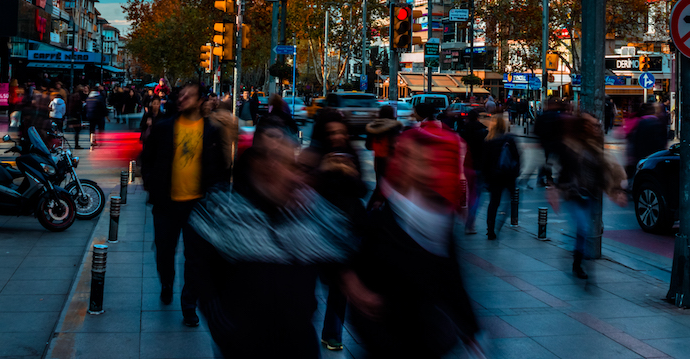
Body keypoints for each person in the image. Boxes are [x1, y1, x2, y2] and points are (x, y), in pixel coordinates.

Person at [186, 128, 355, 358]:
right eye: (288, 164)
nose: (295, 175)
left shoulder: (307, 209)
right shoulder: (224, 212)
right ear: (264, 166)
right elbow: (201, 271)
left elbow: (345, 243)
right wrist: (224, 328)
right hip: (243, 345)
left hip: (298, 344)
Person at [346, 126, 481, 358]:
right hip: (389, 340)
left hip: (427, 340)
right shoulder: (383, 222)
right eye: (419, 161)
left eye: (430, 162)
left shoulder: (440, 218)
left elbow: (452, 278)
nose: (427, 170)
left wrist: (471, 330)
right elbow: (361, 283)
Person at [140, 82, 229, 328]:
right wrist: (151, 184)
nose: (183, 99)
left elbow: (221, 169)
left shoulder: (211, 131)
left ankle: (189, 305)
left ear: (200, 101)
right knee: (164, 252)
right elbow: (147, 158)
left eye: (190, 95)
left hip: (198, 207)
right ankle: (166, 282)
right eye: (181, 95)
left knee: (197, 259)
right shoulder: (163, 128)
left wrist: (216, 198)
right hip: (167, 205)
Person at [301, 110, 367, 352]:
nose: (338, 137)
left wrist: (350, 173)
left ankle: (332, 334)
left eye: (341, 132)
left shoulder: (351, 153)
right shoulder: (312, 155)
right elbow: (300, 190)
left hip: (344, 232)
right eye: (332, 133)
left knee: (340, 289)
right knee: (307, 287)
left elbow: (361, 190)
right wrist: (323, 171)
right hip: (315, 231)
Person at [548, 113, 627, 279]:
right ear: (582, 126)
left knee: (584, 230)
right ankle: (577, 264)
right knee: (583, 227)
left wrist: (615, 191)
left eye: (597, 125)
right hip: (572, 194)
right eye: (592, 125)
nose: (596, 128)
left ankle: (579, 258)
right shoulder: (569, 144)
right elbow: (555, 166)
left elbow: (605, 170)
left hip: (590, 194)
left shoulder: (596, 147)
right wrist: (552, 189)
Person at [482, 114, 520, 240]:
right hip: (508, 176)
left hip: (495, 177)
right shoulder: (509, 139)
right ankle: (500, 224)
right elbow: (517, 158)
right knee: (509, 202)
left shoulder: (488, 140)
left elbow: (485, 163)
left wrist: (487, 179)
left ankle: (491, 229)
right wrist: (515, 173)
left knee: (494, 203)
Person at [459, 110, 490, 235]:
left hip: (468, 164)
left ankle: (466, 220)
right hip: (480, 165)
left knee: (468, 194)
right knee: (476, 196)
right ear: (477, 118)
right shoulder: (484, 131)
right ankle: (470, 223)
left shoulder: (464, 130)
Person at [624, 103, 667, 183]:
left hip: (641, 155)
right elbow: (661, 142)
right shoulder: (658, 123)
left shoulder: (641, 122)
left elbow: (635, 140)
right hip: (653, 155)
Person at [365, 105, 403, 185]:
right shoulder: (395, 127)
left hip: (378, 158)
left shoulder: (373, 127)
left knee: (379, 183)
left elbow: (368, 145)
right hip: (391, 158)